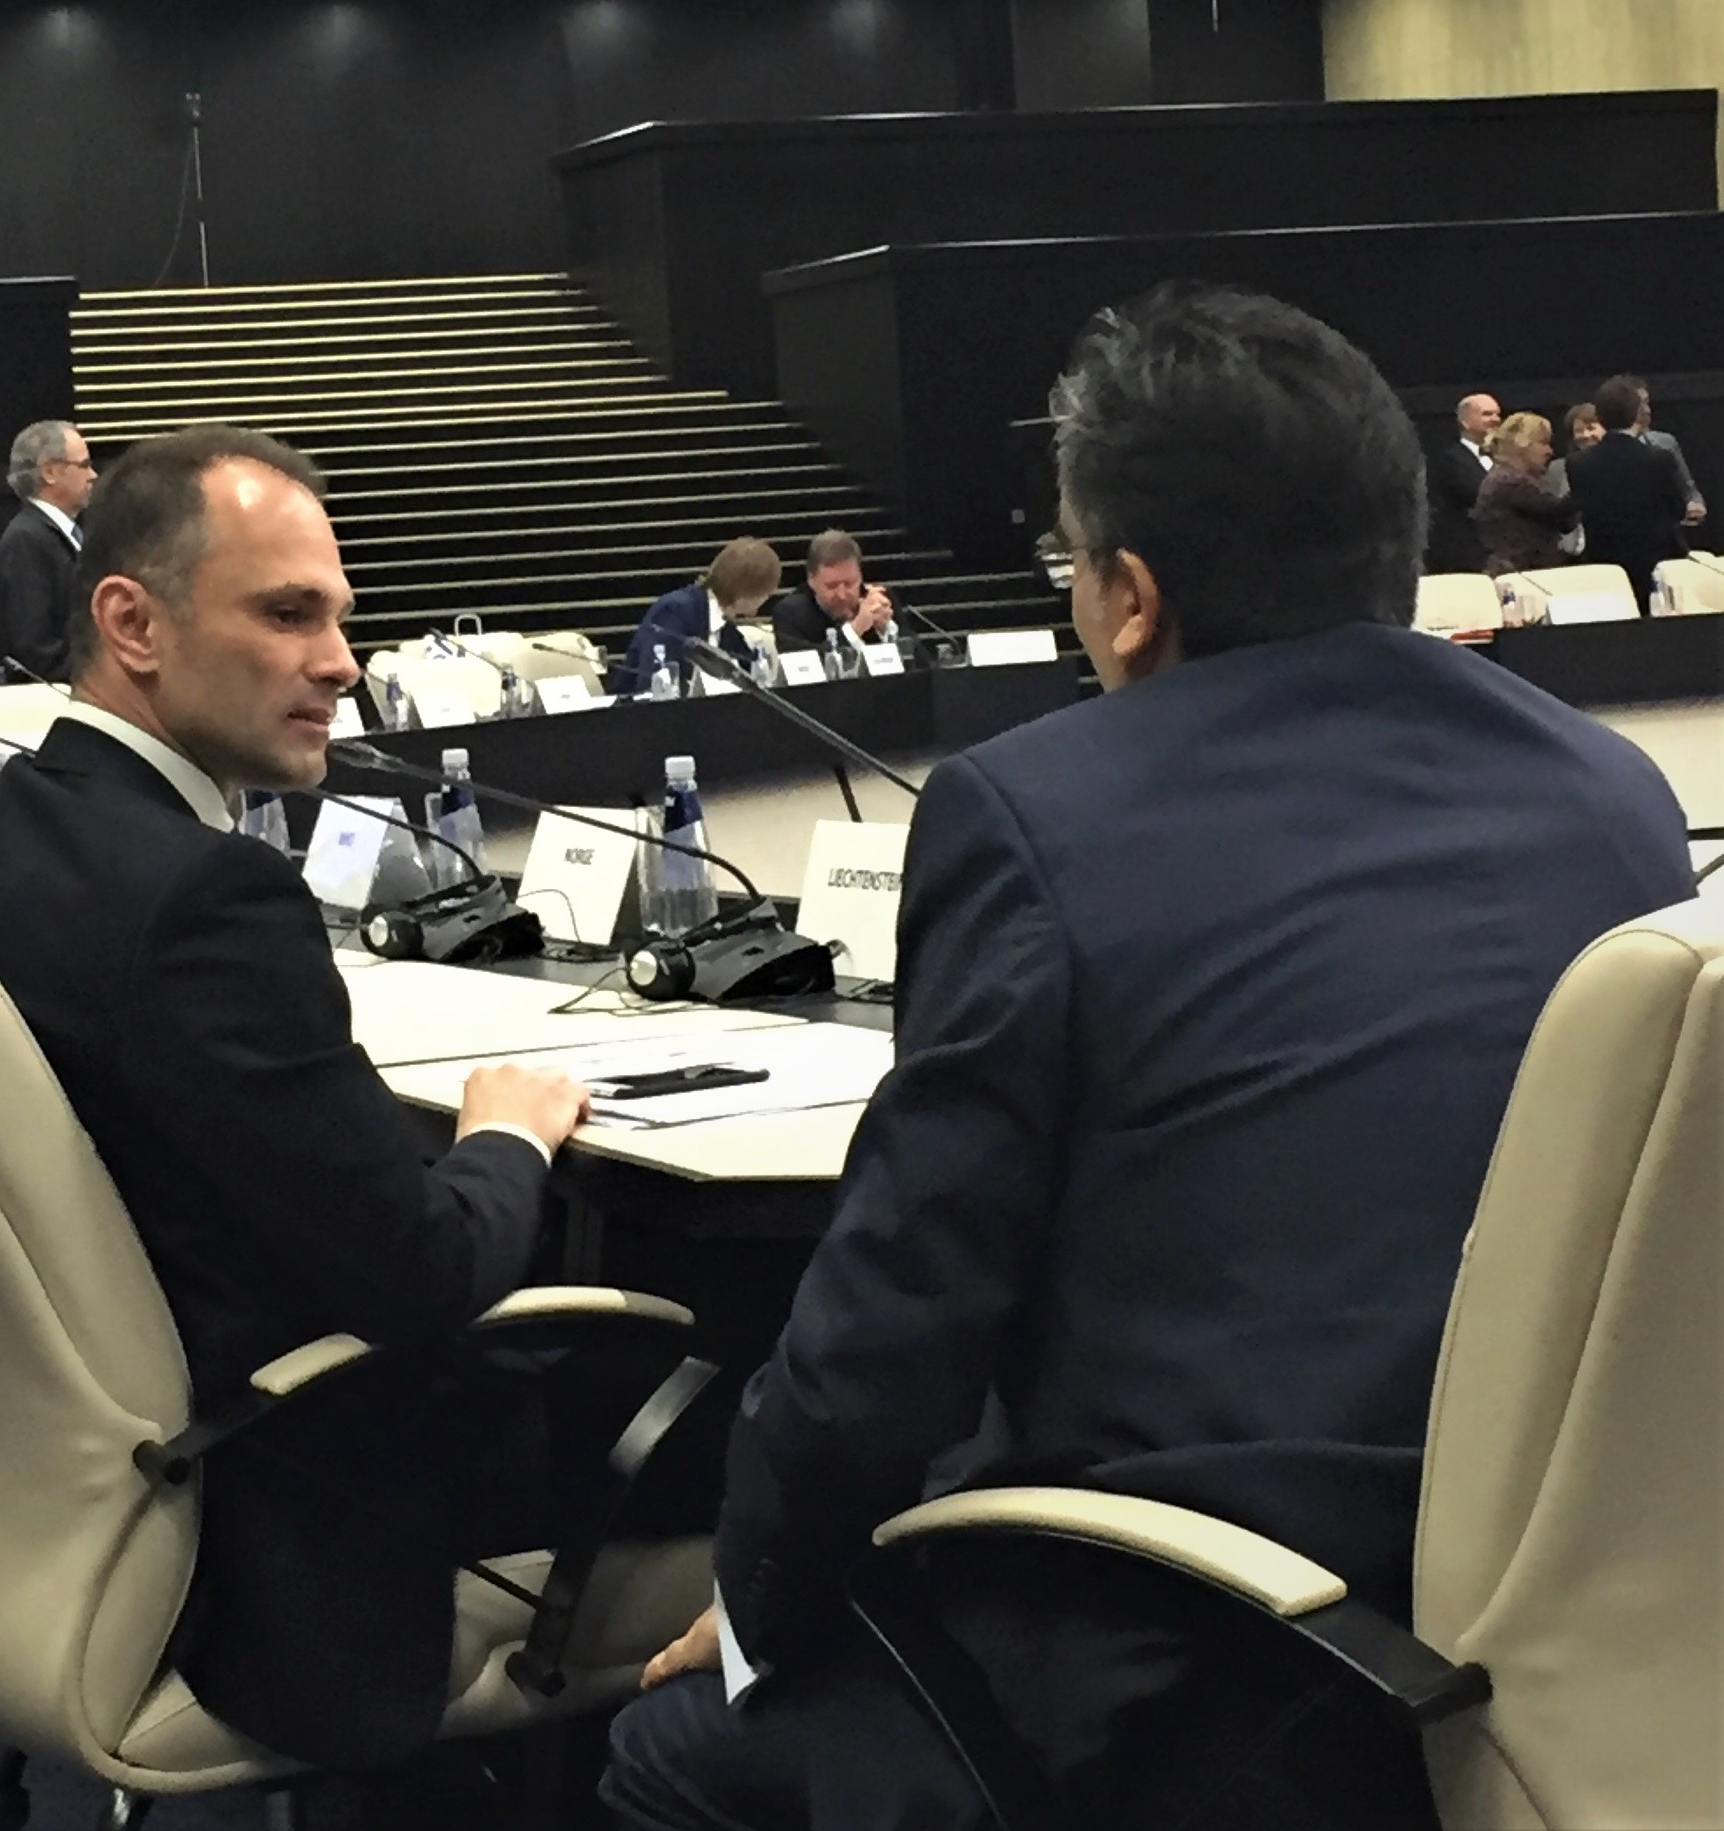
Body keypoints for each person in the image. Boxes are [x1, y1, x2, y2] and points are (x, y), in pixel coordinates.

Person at [604, 285, 1693, 1831]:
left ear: (1126, 593)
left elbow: (885, 1346)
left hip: (1209, 1661)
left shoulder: (1035, 814)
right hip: (1577, 1642)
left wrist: (761, 1611)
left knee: (663, 1760)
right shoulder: (1615, 793)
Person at [0, 425, 601, 1770]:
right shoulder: (204, 896)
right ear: (132, 623)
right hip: (280, 1523)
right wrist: (507, 1133)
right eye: (288, 614)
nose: (341, 661)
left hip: (61, 1475)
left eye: (339, 617)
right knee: (779, 1377)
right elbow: (425, 1269)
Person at [1568, 373, 1695, 604]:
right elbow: (1677, 510)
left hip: (1605, 568)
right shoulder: (1659, 458)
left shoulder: (1578, 463)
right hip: (1657, 568)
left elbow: (1583, 509)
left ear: (1600, 415)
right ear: (1637, 413)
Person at [609, 537, 782, 694]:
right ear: (751, 592)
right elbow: (654, 681)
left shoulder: (725, 627)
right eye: (767, 593)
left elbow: (749, 676)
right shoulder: (675, 610)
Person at [0, 419, 96, 681]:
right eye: (84, 465)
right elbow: (36, 648)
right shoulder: (25, 540)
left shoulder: (68, 533)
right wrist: (100, 676)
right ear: (49, 472)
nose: (93, 475)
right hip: (60, 692)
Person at [1471, 411, 1578, 577]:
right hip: (1521, 576)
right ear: (1522, 444)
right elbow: (1558, 512)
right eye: (1543, 443)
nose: (1550, 451)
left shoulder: (1515, 479)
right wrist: (1584, 487)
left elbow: (1565, 523)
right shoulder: (1509, 482)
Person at [766, 530, 898, 655]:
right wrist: (854, 630)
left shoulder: (880, 599)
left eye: (849, 584)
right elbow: (805, 664)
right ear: (811, 580)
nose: (842, 595)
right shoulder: (789, 614)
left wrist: (887, 629)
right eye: (831, 586)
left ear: (860, 576)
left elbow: (910, 655)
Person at [1424, 390, 1500, 573]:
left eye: (1498, 414)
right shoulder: (1449, 460)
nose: (1496, 419)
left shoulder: (1508, 458)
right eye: (1487, 414)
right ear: (1465, 422)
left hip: (1508, 553)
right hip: (1470, 559)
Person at [1621, 375, 1708, 531]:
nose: (1647, 411)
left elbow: (1688, 489)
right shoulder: (1605, 448)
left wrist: (1695, 504)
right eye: (1639, 405)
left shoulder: (1664, 443)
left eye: (1647, 403)